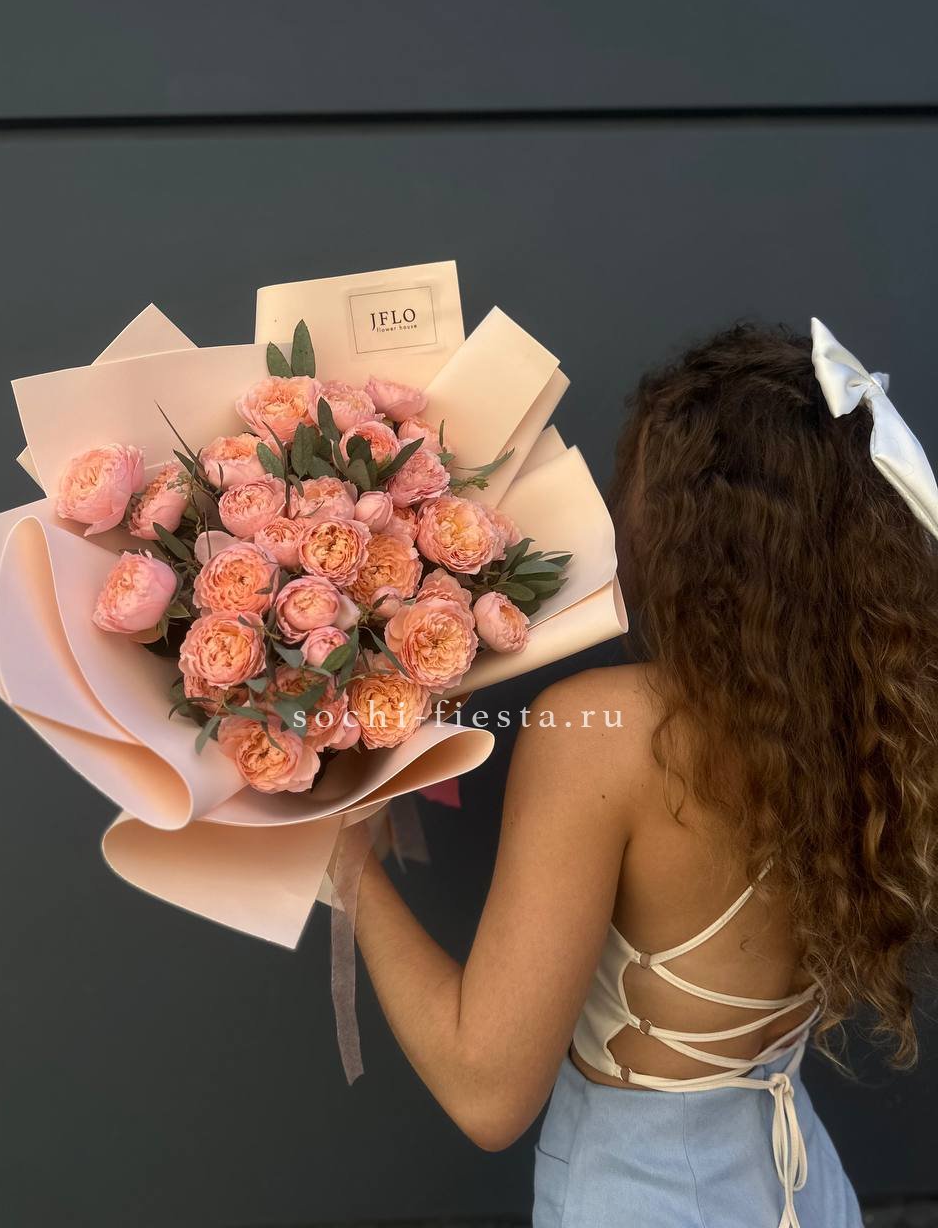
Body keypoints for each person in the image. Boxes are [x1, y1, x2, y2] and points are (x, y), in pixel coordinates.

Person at [344, 319, 938, 1227]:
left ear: (688, 525)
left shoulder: (606, 733)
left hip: (644, 1198)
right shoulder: (885, 713)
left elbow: (486, 1093)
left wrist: (347, 865)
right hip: (802, 1189)